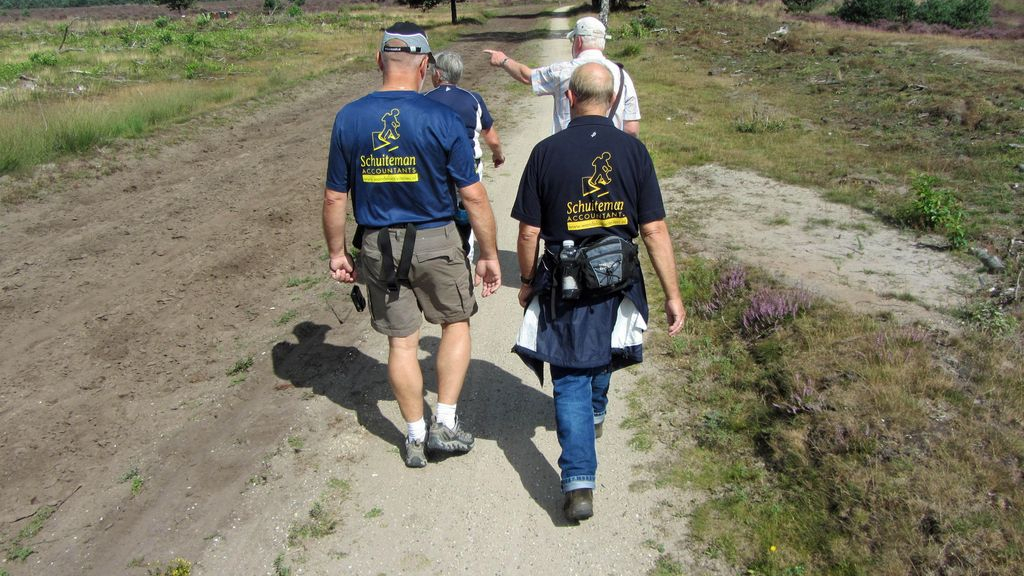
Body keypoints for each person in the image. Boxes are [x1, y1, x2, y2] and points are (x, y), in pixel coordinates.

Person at [510, 63, 685, 521]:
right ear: (612, 102)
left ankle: (580, 482)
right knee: (600, 352)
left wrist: (528, 283)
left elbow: (529, 234)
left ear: (569, 98)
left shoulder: (545, 152)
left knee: (570, 372)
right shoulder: (634, 151)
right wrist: (673, 294)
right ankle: (597, 414)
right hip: (618, 277)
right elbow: (655, 229)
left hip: (565, 282)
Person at [322, 21, 501, 469]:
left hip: (378, 244)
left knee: (402, 343)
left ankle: (416, 437)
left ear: (380, 60)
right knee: (455, 324)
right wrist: (490, 255)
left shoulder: (349, 117)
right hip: (437, 237)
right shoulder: (442, 117)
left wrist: (338, 252)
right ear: (425, 65)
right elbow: (473, 193)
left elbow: (333, 196)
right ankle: (445, 422)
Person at [484, 16, 640, 137]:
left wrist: (503, 60)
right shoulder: (623, 76)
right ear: (603, 43)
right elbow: (631, 129)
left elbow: (526, 76)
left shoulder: (562, 71)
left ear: (578, 41)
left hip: (567, 152)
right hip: (609, 155)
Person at [424, 51, 506, 262]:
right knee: (467, 208)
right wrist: (498, 155)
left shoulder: (423, 100)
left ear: (438, 74)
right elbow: (492, 138)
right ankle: (465, 254)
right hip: (468, 165)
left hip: (433, 167)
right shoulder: (473, 99)